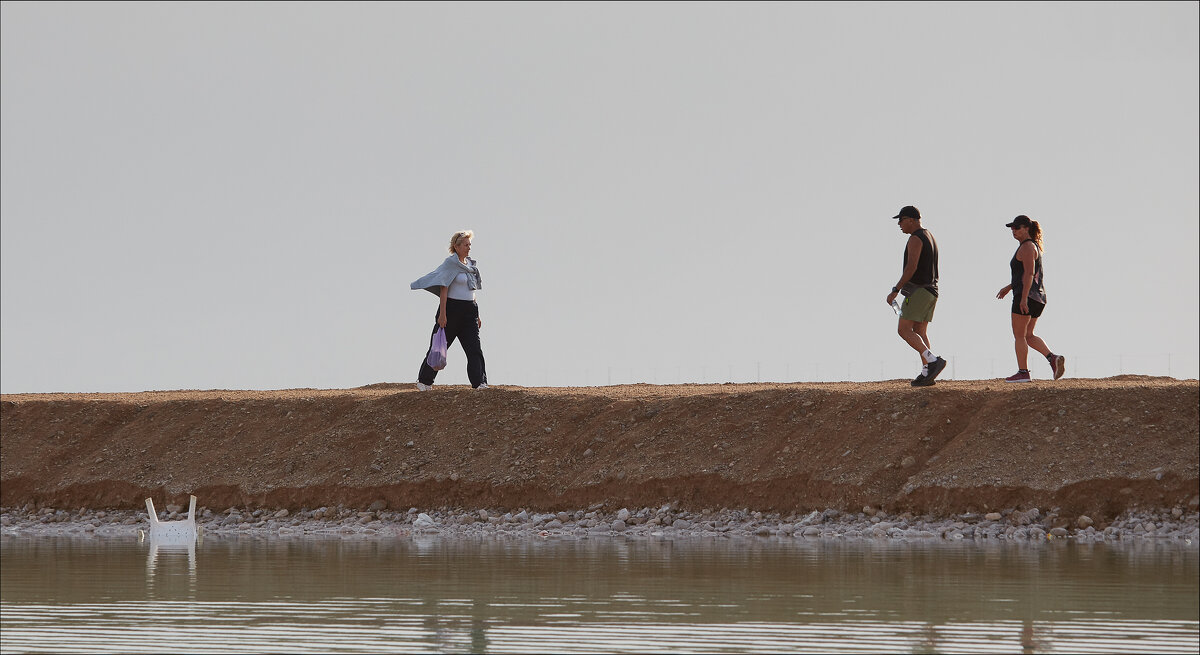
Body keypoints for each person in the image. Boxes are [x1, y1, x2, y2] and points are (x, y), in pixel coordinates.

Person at [410, 230, 488, 390]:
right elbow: (444, 288)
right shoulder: (450, 264)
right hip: (451, 310)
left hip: (470, 312)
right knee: (438, 346)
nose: (469, 248)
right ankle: (424, 381)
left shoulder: (471, 266)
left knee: (474, 348)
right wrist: (443, 314)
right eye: (466, 245)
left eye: (470, 245)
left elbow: (472, 291)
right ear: (456, 246)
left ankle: (480, 383)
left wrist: (477, 314)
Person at [996, 215, 1065, 382]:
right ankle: (1052, 358)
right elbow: (1026, 274)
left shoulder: (1027, 247)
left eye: (1017, 227)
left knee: (1019, 335)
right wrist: (1009, 286)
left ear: (1026, 228)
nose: (1013, 231)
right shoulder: (1031, 247)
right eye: (1012, 228)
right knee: (1028, 335)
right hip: (1038, 297)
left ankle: (1023, 372)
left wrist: (1023, 298)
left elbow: (1029, 273)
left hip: (1027, 296)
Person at [885, 205, 947, 387]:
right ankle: (927, 371)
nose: (899, 224)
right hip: (932, 291)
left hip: (919, 290)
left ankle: (932, 361)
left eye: (901, 220)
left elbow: (911, 267)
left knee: (903, 330)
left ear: (911, 219)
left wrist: (896, 289)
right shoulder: (929, 236)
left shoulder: (915, 238)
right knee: (920, 332)